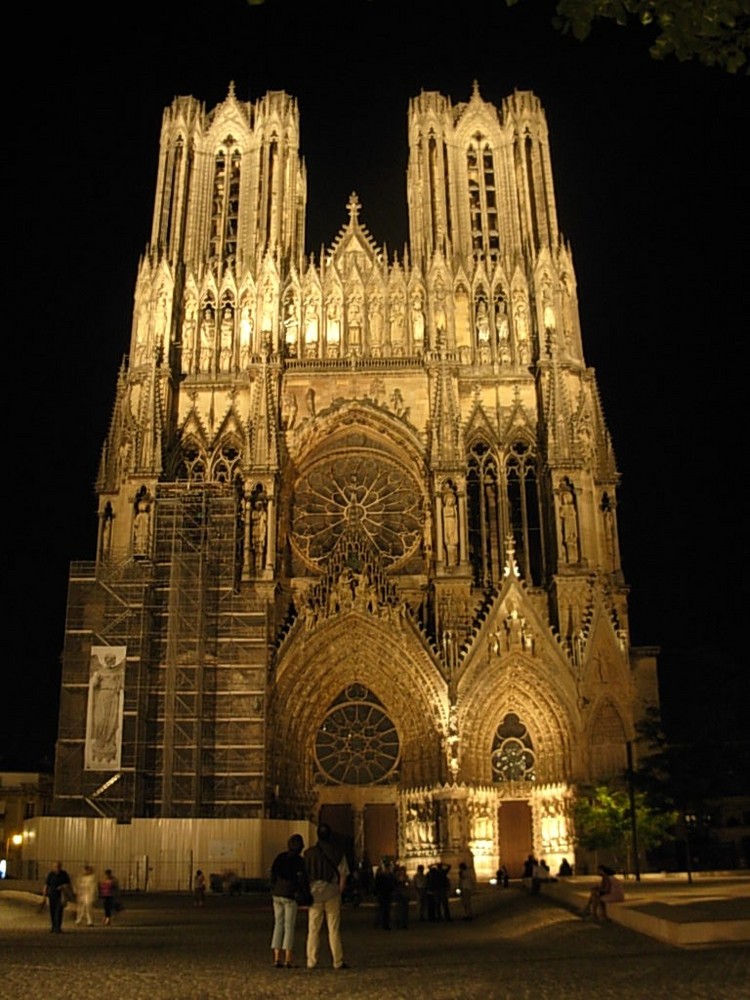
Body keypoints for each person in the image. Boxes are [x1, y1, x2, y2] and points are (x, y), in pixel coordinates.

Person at [303, 823, 350, 970]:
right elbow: (343, 874)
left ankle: (311, 961)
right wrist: (339, 891)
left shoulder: (308, 853)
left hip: (314, 893)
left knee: (313, 929)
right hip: (331, 892)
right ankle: (338, 961)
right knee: (334, 929)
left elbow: (304, 875)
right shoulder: (337, 853)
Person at [270, 833, 307, 968]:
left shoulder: (280, 857)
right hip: (290, 895)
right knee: (289, 926)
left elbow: (273, 874)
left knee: (278, 924)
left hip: (277, 893)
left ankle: (276, 957)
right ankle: (288, 958)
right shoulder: (299, 861)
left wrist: (273, 887)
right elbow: (302, 880)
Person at [43, 861, 72, 933]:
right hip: (52, 895)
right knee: (52, 911)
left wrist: (62, 887)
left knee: (59, 911)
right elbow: (46, 885)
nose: (57, 868)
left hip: (60, 895)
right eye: (55, 866)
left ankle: (58, 927)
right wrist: (44, 895)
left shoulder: (64, 874)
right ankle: (53, 926)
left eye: (58, 866)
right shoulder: (51, 874)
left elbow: (68, 884)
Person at [374, 859, 396, 929]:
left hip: (387, 894)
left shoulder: (389, 876)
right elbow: (377, 885)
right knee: (382, 910)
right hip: (382, 894)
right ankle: (381, 923)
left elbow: (392, 885)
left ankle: (385, 924)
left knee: (386, 910)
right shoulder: (381, 876)